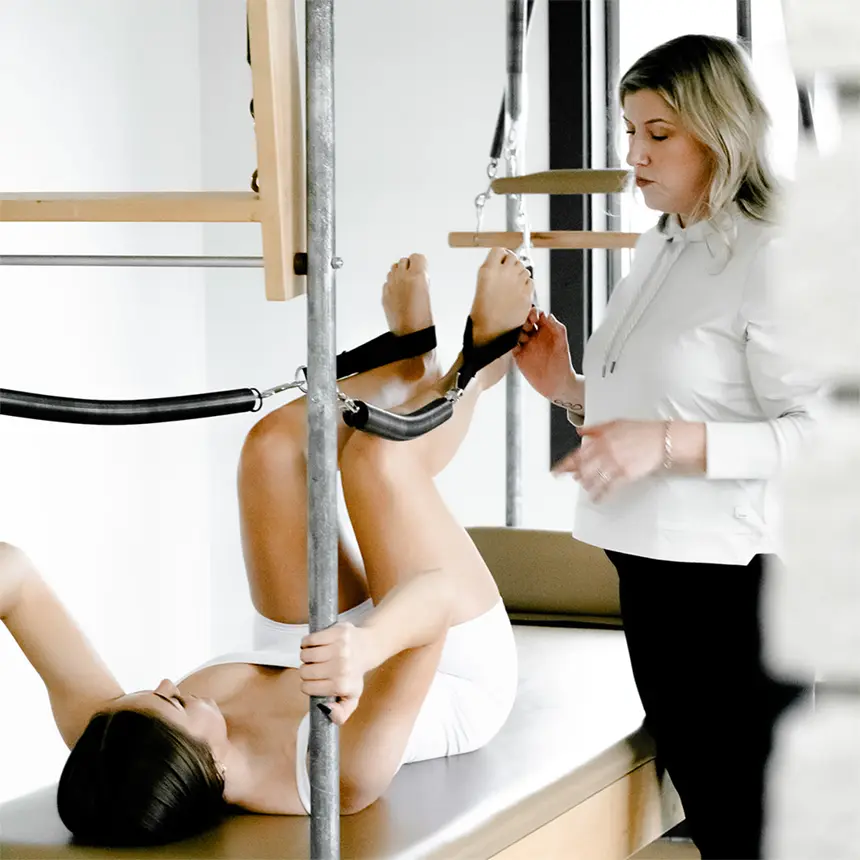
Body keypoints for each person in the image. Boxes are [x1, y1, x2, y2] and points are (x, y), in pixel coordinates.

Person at [0, 248, 531, 847]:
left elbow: (12, 578)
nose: (171, 682)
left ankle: (407, 366)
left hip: (317, 648)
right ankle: (478, 367)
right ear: (211, 768)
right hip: (441, 661)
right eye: (175, 703)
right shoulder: (334, 772)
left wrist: (351, 648)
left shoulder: (118, 736)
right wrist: (368, 647)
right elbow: (437, 598)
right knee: (375, 461)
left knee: (270, 452)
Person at [514, 34, 818, 860]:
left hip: (734, 595)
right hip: (650, 578)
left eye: (658, 134)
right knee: (723, 826)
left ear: (720, 135)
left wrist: (673, 443)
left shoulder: (772, 252)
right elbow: (657, 407)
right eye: (627, 131)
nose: (632, 157)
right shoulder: (667, 241)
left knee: (757, 833)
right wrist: (570, 387)